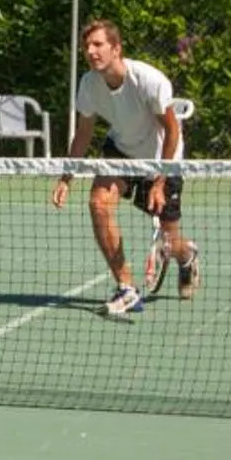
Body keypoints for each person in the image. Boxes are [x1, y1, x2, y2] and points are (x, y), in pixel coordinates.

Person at [49, 19, 200, 319]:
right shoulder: (89, 83)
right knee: (98, 203)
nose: (90, 51)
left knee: (170, 243)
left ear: (116, 48)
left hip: (161, 157)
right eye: (87, 46)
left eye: (98, 45)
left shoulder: (148, 80)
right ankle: (126, 288)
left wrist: (159, 180)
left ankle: (188, 257)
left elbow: (171, 132)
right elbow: (83, 133)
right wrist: (66, 177)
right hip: (120, 151)